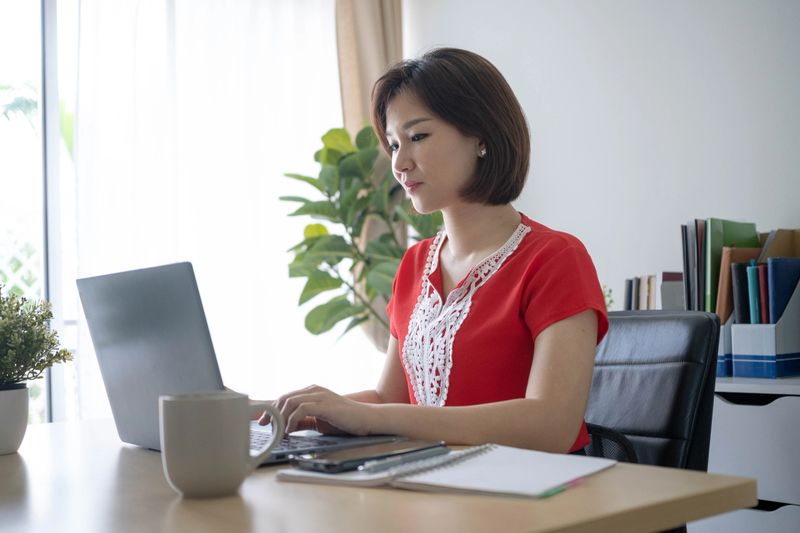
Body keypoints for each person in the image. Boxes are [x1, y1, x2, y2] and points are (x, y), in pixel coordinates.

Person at [260, 48, 608, 453]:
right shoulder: (414, 263)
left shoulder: (555, 258)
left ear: (481, 136)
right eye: (394, 144)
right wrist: (291, 412)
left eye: (418, 137)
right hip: (430, 480)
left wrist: (370, 417)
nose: (400, 163)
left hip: (530, 489)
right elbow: (390, 400)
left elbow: (552, 426)